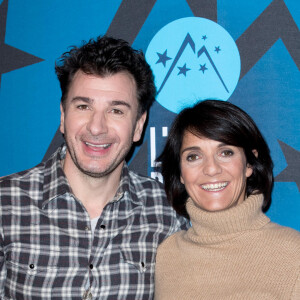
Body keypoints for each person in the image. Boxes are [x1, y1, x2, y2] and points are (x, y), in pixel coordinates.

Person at [0, 35, 188, 300]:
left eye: (116, 111)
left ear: (138, 125)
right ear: (63, 116)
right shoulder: (5, 203)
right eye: (83, 106)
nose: (96, 127)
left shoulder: (168, 214)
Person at [155, 100, 300, 299]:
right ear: (180, 172)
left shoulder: (293, 254)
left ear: (249, 163)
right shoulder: (166, 255)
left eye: (225, 153)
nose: (211, 168)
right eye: (193, 157)